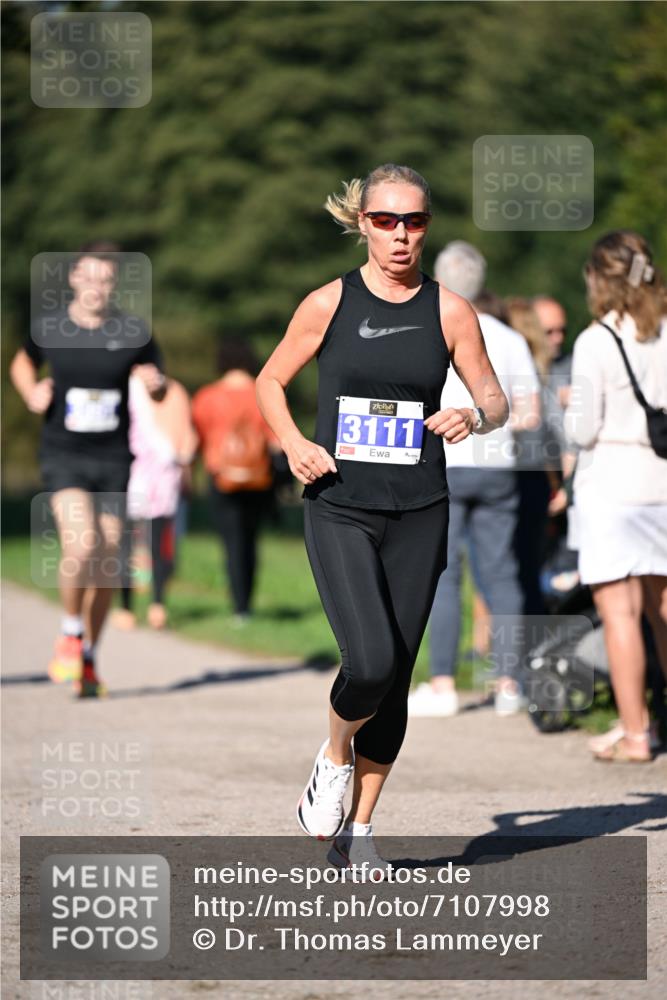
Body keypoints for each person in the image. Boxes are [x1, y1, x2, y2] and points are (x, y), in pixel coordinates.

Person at [255, 165, 508, 874]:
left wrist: (471, 412)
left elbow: (495, 398)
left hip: (420, 509)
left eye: (415, 221)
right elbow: (269, 380)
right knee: (366, 660)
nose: (401, 235)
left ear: (427, 226)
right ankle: (331, 760)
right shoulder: (327, 303)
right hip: (340, 504)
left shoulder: (450, 310)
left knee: (394, 676)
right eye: (386, 220)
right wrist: (294, 443)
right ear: (361, 223)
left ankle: (357, 831)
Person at [9, 242, 165, 696]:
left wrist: (154, 384)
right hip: (64, 455)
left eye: (105, 279)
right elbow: (22, 360)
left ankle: (90, 657)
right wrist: (30, 391)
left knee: (108, 563)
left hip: (113, 458)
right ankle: (71, 632)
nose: (96, 286)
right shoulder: (52, 327)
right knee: (81, 545)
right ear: (74, 279)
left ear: (114, 284)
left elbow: (157, 379)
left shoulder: (133, 330)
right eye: (89, 277)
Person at [408, 242, 540, 720]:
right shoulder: (510, 337)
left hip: (444, 464)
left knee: (443, 575)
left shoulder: (427, 329)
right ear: (482, 283)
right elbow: (529, 413)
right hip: (498, 467)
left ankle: (443, 683)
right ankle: (510, 683)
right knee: (501, 573)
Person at [564, 230, 667, 762]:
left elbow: (582, 431)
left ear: (599, 279)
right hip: (663, 481)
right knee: (663, 609)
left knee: (621, 614)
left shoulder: (596, 341)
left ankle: (635, 734)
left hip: (612, 484)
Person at [192, 338, 279, 624]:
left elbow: (196, 440)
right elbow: (276, 441)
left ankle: (238, 606)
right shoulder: (263, 393)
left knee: (232, 542)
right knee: (250, 540)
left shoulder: (206, 396)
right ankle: (247, 603)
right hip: (258, 478)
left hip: (221, 478)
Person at [113, 373, 197, 630]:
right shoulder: (176, 390)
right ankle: (157, 605)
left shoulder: (120, 386)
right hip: (165, 473)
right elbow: (188, 438)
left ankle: (126, 608)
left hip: (131, 473)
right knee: (160, 544)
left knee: (125, 544)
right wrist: (185, 471)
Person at [505, 297, 563, 615]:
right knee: (529, 566)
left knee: (512, 567)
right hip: (533, 476)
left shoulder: (510, 366)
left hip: (515, 474)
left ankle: (515, 652)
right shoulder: (538, 374)